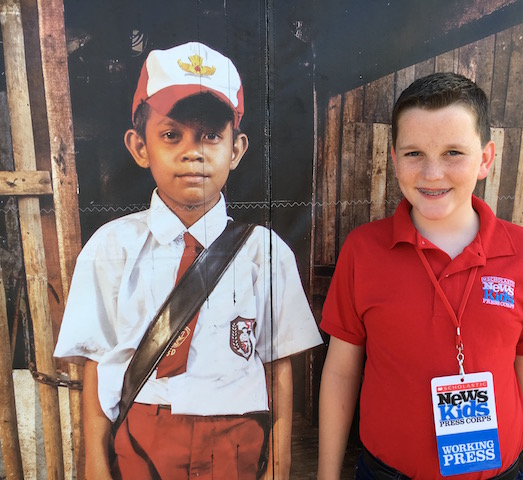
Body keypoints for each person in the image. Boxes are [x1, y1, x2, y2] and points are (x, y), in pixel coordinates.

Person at [54, 41, 322, 480]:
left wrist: (279, 465)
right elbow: (97, 365)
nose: (192, 152)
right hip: (143, 443)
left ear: (236, 150)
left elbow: (278, 366)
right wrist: (96, 467)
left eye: (211, 136)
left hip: (238, 445)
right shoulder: (110, 248)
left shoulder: (264, 252)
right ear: (140, 146)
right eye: (171, 134)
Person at [317, 72, 523, 480]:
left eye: (453, 152)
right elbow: (342, 371)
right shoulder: (363, 251)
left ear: (485, 159)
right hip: (386, 473)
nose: (432, 174)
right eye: (414, 154)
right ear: (393, 158)